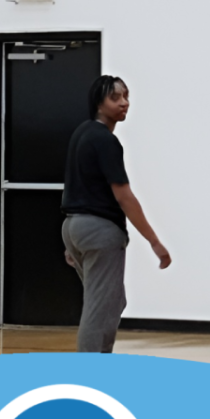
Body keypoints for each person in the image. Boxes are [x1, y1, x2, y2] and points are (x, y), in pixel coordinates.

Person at [61, 75, 171, 353]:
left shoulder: (81, 133)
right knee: (101, 310)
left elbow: (73, 186)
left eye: (126, 96)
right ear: (99, 104)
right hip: (99, 231)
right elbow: (124, 195)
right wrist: (154, 241)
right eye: (115, 98)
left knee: (111, 301)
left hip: (74, 227)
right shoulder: (105, 140)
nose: (124, 103)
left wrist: (70, 240)